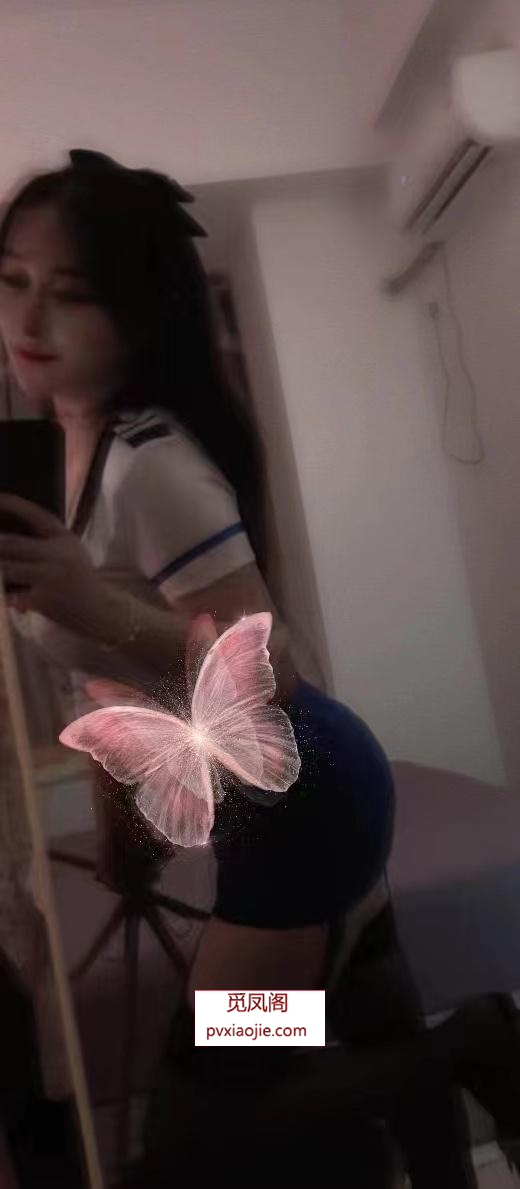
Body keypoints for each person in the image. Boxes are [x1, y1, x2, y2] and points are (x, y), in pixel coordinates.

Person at [0, 150, 518, 1188]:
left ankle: (477, 1041)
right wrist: (123, 831)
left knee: (213, 1107)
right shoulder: (68, 449)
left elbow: (266, 665)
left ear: (135, 317)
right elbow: (119, 684)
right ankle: (432, 1104)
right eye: (13, 281)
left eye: (74, 294)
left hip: (299, 799)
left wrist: (84, 601)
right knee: (347, 1022)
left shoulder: (151, 463)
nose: (31, 320)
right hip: (269, 798)